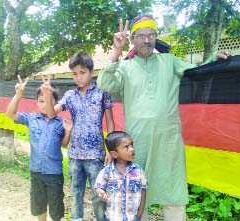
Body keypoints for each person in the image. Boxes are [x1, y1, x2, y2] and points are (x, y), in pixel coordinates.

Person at [96, 15, 231, 221]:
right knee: (137, 194)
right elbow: (104, 83)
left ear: (156, 37)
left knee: (174, 194)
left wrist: (214, 58)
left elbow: (198, 70)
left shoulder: (169, 61)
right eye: (141, 36)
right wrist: (116, 51)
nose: (147, 40)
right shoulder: (125, 67)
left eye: (151, 35)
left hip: (169, 141)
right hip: (137, 143)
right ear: (132, 39)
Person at [44, 51, 115, 221]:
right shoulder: (70, 96)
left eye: (82, 72)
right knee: (76, 192)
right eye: (75, 74)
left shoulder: (102, 93)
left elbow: (110, 122)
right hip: (75, 154)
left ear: (91, 72)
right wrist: (48, 96)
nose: (78, 77)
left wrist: (110, 150)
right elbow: (51, 114)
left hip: (96, 155)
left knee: (99, 194)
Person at [5, 75, 73, 221]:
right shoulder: (31, 119)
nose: (43, 104)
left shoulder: (60, 123)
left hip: (54, 173)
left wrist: (68, 132)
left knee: (55, 210)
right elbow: (10, 113)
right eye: (40, 101)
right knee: (39, 207)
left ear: (55, 102)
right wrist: (18, 95)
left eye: (48, 100)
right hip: (36, 172)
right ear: (36, 102)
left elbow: (64, 144)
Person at [95, 131, 148, 221]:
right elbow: (99, 187)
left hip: (133, 217)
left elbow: (143, 191)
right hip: (113, 217)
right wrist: (101, 192)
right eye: (126, 147)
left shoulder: (138, 171)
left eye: (131, 145)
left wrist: (140, 213)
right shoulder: (106, 172)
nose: (132, 149)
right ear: (114, 154)